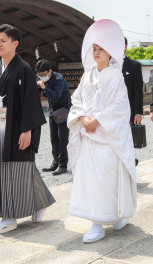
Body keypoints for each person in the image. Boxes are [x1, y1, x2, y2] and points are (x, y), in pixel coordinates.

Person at [0, 24, 55, 236]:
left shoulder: (23, 69)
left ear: (15, 44)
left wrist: (28, 130)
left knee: (18, 168)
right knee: (3, 168)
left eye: (3, 40)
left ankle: (9, 217)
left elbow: (31, 101)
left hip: (17, 127)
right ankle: (39, 202)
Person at [67, 19, 137, 243]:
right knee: (90, 180)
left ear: (111, 53)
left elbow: (120, 106)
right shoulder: (87, 76)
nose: (96, 53)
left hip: (107, 136)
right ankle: (96, 221)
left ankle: (112, 215)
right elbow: (76, 99)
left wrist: (98, 118)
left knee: (107, 179)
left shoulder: (116, 76)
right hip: (88, 135)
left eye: (101, 49)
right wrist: (84, 117)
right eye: (94, 49)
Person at [35, 59, 71, 175]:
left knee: (62, 139)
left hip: (63, 111)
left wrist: (44, 87)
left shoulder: (59, 79)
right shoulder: (41, 78)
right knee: (54, 138)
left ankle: (63, 165)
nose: (41, 77)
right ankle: (55, 163)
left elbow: (55, 96)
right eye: (39, 75)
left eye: (44, 74)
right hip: (52, 111)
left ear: (50, 71)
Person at [122, 37, 143, 165]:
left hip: (127, 111)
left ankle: (129, 166)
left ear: (125, 46)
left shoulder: (134, 65)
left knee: (126, 141)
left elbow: (138, 90)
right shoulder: (107, 65)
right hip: (110, 113)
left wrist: (138, 112)